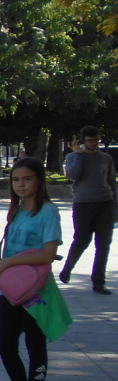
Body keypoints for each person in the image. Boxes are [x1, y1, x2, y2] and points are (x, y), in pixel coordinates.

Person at [0, 157, 70, 381]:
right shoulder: (16, 210)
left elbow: (48, 254)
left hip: (37, 292)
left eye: (27, 179)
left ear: (39, 181)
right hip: (12, 291)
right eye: (15, 180)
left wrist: (8, 262)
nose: (20, 185)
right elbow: (9, 250)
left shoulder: (48, 212)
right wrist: (4, 291)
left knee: (35, 347)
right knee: (6, 345)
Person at [60, 126, 116, 294]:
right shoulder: (73, 156)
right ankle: (67, 268)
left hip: (105, 203)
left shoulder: (106, 158)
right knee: (82, 241)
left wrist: (116, 208)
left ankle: (99, 282)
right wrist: (78, 154)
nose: (94, 143)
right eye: (91, 140)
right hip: (83, 205)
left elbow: (112, 182)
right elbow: (73, 175)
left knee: (104, 244)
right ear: (82, 141)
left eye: (96, 140)